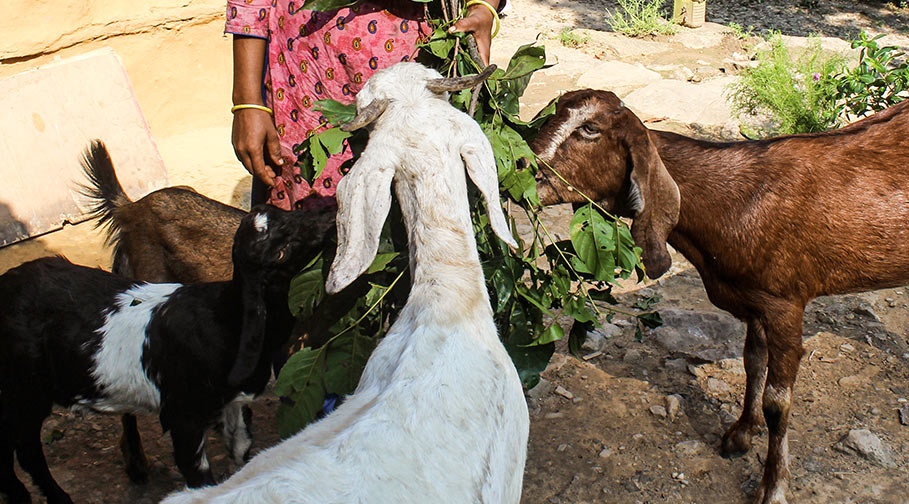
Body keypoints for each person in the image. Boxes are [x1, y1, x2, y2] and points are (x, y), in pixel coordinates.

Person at [225, 0, 504, 209]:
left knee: (412, 219)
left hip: (413, 68)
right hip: (305, 79)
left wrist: (483, 8)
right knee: (299, 235)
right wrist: (247, 101)